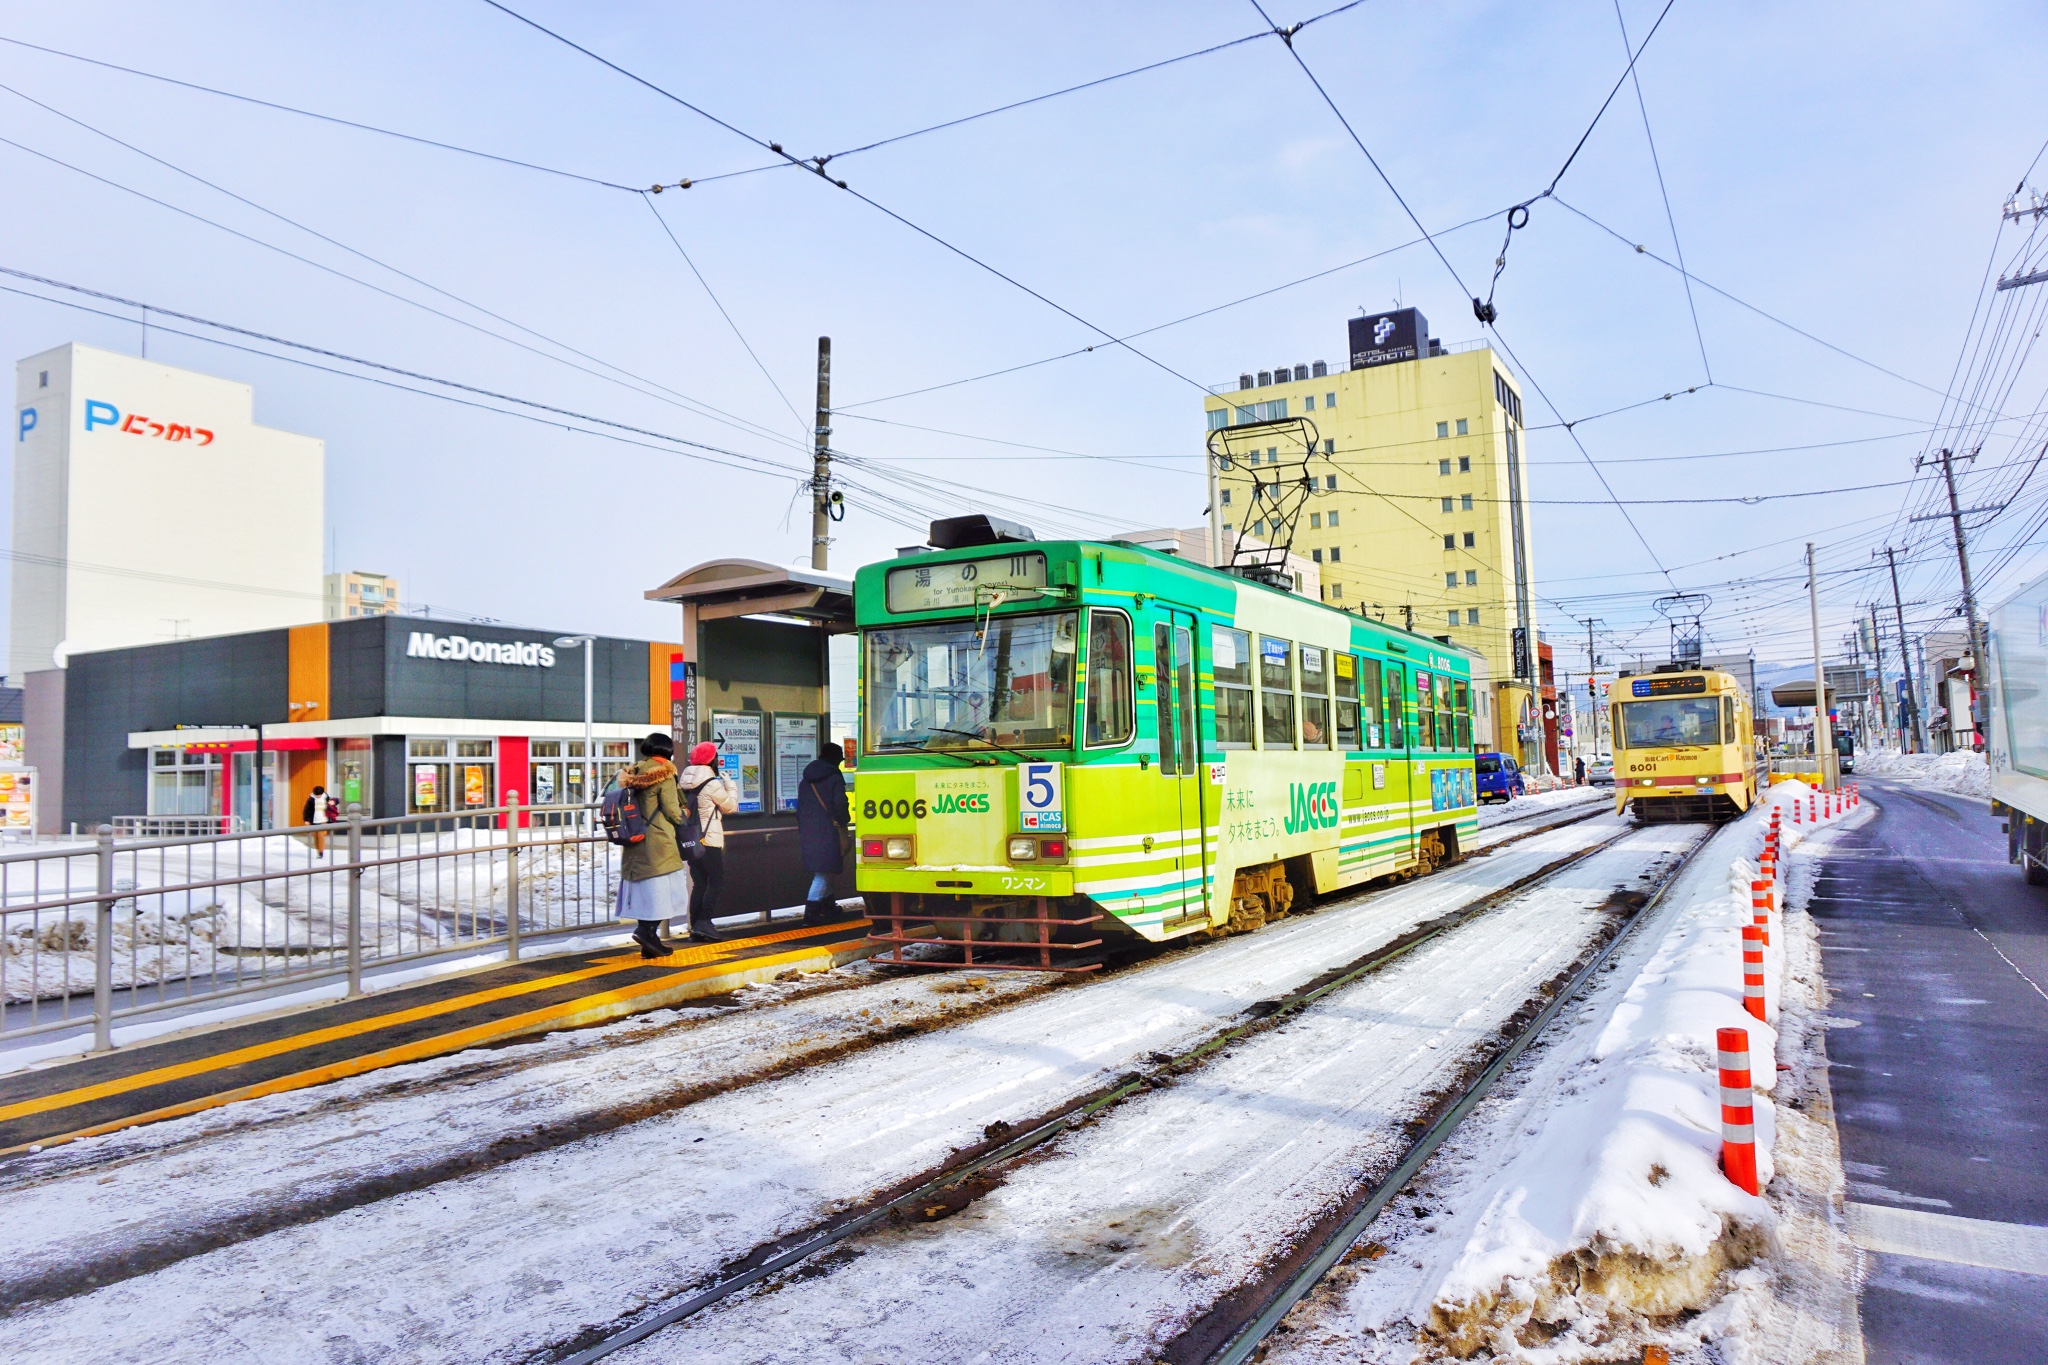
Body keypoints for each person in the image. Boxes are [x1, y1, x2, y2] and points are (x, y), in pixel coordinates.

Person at [614, 732, 688, 957]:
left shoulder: (632, 772)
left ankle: (650, 942)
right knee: (666, 891)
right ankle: (646, 931)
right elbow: (672, 810)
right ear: (667, 751)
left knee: (646, 893)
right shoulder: (664, 774)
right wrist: (685, 816)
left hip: (635, 838)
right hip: (658, 841)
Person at [679, 741, 740, 940]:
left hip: (692, 839)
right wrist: (731, 786)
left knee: (699, 883)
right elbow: (730, 807)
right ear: (712, 760)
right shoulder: (712, 784)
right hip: (709, 840)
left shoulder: (684, 782)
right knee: (717, 881)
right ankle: (704, 922)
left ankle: (695, 926)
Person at [797, 744, 850, 925]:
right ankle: (811, 912)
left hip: (809, 831)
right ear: (835, 759)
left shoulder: (806, 779)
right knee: (824, 873)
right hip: (829, 831)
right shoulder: (834, 778)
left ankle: (829, 907)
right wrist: (844, 822)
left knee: (825, 870)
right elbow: (840, 804)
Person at [301, 784, 331, 855]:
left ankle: (321, 852)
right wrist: (306, 820)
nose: (318, 796)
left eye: (319, 795)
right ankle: (318, 851)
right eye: (317, 795)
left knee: (321, 836)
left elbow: (334, 803)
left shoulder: (326, 798)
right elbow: (306, 810)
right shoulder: (311, 799)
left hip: (323, 820)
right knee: (316, 837)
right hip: (314, 821)